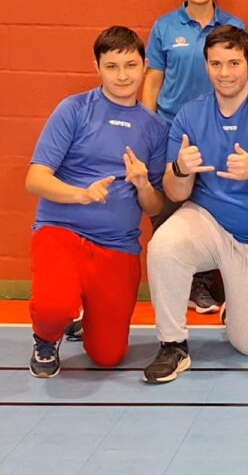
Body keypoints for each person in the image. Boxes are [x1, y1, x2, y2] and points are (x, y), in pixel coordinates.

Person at [143, 26, 248, 384]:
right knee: (165, 245)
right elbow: (175, 193)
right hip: (208, 221)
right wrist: (181, 169)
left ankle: (238, 308)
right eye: (216, 64)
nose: (225, 73)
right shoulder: (189, 115)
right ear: (207, 66)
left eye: (233, 63)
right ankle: (173, 345)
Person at [26, 26, 167, 378]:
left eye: (131, 65)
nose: (123, 76)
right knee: (54, 307)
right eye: (112, 66)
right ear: (97, 67)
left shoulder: (155, 127)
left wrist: (142, 185)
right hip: (61, 233)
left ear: (144, 66)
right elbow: (35, 179)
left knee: (108, 355)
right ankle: (46, 336)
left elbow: (154, 208)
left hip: (117, 246)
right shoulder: (73, 110)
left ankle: (85, 317)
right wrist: (81, 194)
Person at [143, 0, 246, 314]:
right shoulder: (165, 27)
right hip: (172, 128)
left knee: (210, 205)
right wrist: (149, 125)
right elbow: (153, 80)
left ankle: (208, 282)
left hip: (217, 131)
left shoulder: (232, 26)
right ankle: (182, 284)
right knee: (170, 206)